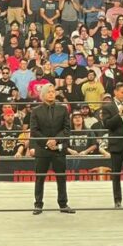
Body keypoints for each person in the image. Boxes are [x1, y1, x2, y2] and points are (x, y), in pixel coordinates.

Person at [29, 84, 74, 214]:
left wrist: (55, 140)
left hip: (58, 148)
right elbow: (34, 131)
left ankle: (63, 204)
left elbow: (66, 129)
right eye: (48, 92)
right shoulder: (36, 111)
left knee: (61, 177)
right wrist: (47, 141)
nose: (51, 94)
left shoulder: (63, 109)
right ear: (43, 95)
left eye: (53, 91)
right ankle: (38, 204)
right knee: (40, 178)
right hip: (42, 149)